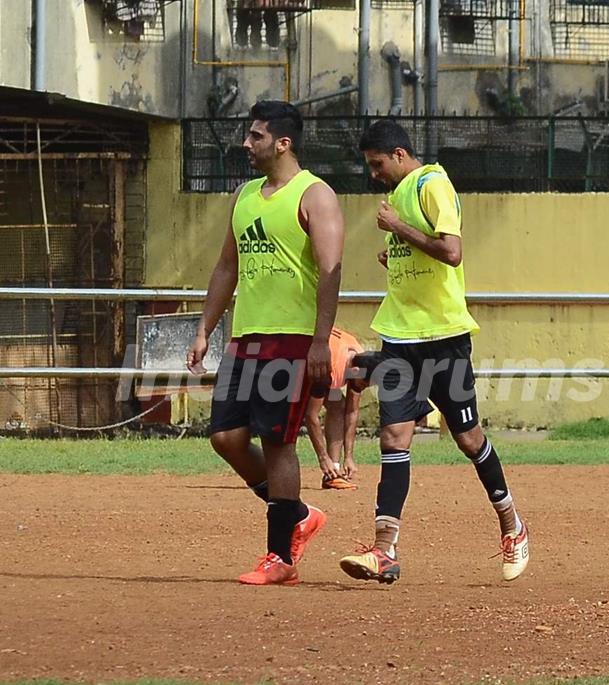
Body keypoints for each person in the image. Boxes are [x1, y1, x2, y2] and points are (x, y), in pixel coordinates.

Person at [338, 120, 529, 584]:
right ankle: (384, 550)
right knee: (394, 437)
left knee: (468, 440)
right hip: (401, 338)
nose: (374, 173)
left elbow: (451, 252)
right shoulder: (400, 195)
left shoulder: (431, 184)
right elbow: (418, 255)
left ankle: (512, 525)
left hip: (443, 338)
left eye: (378, 164)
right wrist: (395, 250)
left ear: (400, 154)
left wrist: (398, 229)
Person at [187, 100, 345, 586]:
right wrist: (204, 329)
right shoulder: (244, 196)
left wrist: (321, 342)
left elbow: (330, 273)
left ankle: (281, 558)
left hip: (293, 341)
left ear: (283, 143)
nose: (245, 144)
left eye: (255, 136)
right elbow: (226, 267)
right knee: (225, 438)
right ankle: (296, 513)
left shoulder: (315, 196)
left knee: (278, 443)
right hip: (246, 338)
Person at [305, 327, 363, 490]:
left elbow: (352, 411)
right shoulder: (331, 367)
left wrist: (349, 457)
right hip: (296, 364)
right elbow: (311, 416)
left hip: (316, 361)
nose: (360, 388)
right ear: (355, 371)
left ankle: (334, 472)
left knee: (338, 406)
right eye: (363, 384)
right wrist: (323, 458)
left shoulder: (359, 357)